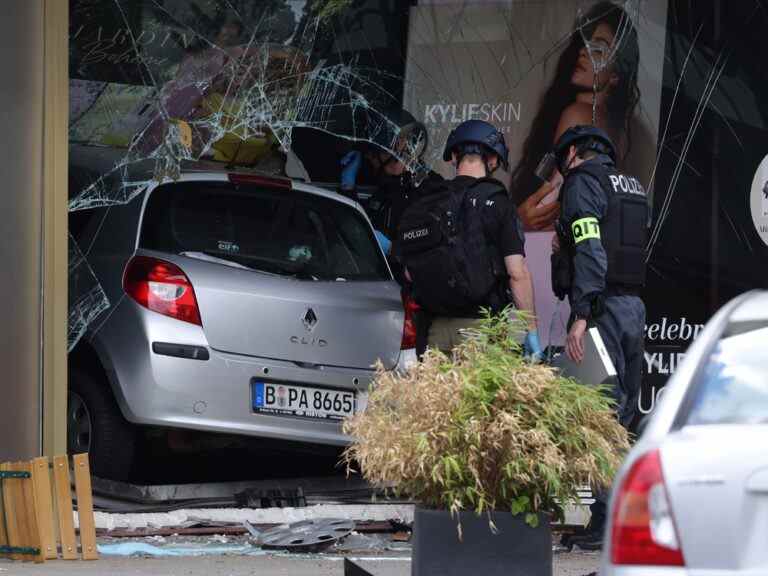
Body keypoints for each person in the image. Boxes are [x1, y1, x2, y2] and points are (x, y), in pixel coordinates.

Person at [551, 125, 648, 550]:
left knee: (599, 416)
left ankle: (607, 521)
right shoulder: (632, 186)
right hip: (633, 309)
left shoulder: (582, 182)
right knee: (624, 416)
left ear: (573, 152)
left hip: (603, 310)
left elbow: (590, 248)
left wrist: (581, 313)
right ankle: (626, 515)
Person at [395, 119, 541, 358]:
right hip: (480, 334)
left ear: (453, 156)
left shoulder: (427, 201)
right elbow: (517, 272)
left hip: (433, 333)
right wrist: (531, 330)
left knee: (440, 396)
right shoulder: (498, 203)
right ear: (493, 160)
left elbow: (410, 272)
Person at [510, 1, 640, 231]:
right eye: (585, 43)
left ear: (615, 76)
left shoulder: (577, 116)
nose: (583, 51)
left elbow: (550, 207)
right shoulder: (612, 127)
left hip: (547, 250)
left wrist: (516, 224)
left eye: (598, 50)